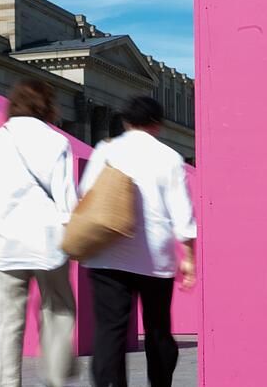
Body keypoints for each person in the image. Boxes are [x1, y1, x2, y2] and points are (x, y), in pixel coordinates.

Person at [78, 96, 197, 387]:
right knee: (158, 329)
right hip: (154, 259)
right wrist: (189, 258)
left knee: (110, 332)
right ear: (157, 124)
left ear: (126, 121)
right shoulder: (169, 157)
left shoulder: (105, 151)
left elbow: (85, 192)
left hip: (107, 253)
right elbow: (182, 212)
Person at [0, 78, 79, 387]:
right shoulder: (57, 141)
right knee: (58, 309)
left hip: (3, 243)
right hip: (49, 242)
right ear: (47, 106)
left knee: (5, 324)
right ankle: (56, 377)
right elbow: (66, 199)